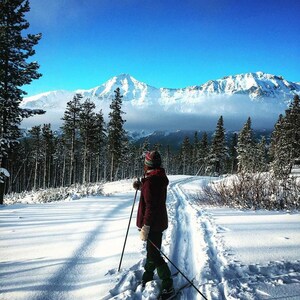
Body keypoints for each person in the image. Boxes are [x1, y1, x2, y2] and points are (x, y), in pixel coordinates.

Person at [133, 150, 174, 300]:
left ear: (147, 164)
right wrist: (141, 186)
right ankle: (148, 275)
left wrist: (146, 227)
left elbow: (150, 205)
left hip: (153, 224)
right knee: (151, 251)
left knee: (155, 254)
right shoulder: (156, 178)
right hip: (158, 222)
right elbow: (152, 192)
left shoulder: (151, 182)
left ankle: (168, 284)